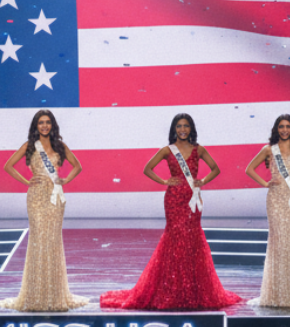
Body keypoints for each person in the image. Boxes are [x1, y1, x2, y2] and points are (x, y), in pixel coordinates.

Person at [102, 114, 241, 310]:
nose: (182, 129)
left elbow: (215, 169)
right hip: (174, 199)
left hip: (192, 199)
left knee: (192, 239)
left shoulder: (198, 149)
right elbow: (147, 168)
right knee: (175, 239)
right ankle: (171, 288)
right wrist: (164, 181)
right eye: (179, 126)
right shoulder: (168, 150)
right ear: (174, 129)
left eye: (186, 126)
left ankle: (193, 289)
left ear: (191, 128)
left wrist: (202, 181)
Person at [0, 110, 89, 311]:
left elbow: (78, 166)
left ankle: (54, 293)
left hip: (55, 198)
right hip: (37, 197)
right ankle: (36, 293)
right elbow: (8, 165)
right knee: (39, 241)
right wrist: (26, 180)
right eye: (41, 123)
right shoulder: (30, 146)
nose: (44, 126)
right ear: (36, 126)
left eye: (48, 122)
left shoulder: (59, 146)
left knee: (53, 243)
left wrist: (65, 180)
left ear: (52, 125)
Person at [244, 114, 290, 308]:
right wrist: (265, 183)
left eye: (287, 126)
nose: (284, 130)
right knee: (278, 244)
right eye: (281, 126)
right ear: (276, 129)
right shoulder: (269, 149)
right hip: (276, 199)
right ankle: (275, 294)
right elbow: (249, 169)